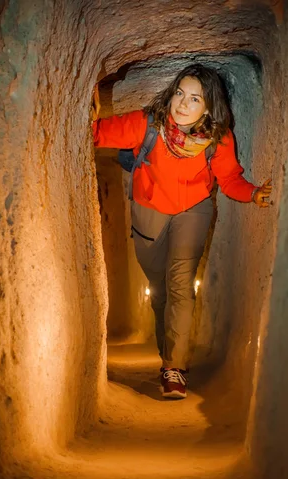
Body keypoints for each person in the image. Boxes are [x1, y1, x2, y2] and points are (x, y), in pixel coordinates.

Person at [92, 63, 272, 400]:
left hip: (194, 210)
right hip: (149, 212)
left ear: (209, 107)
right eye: (179, 93)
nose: (182, 104)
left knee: (181, 284)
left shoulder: (217, 140)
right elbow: (96, 132)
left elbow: (229, 178)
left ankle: (174, 368)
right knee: (159, 289)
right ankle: (167, 353)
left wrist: (252, 193)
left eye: (194, 99)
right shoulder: (146, 124)